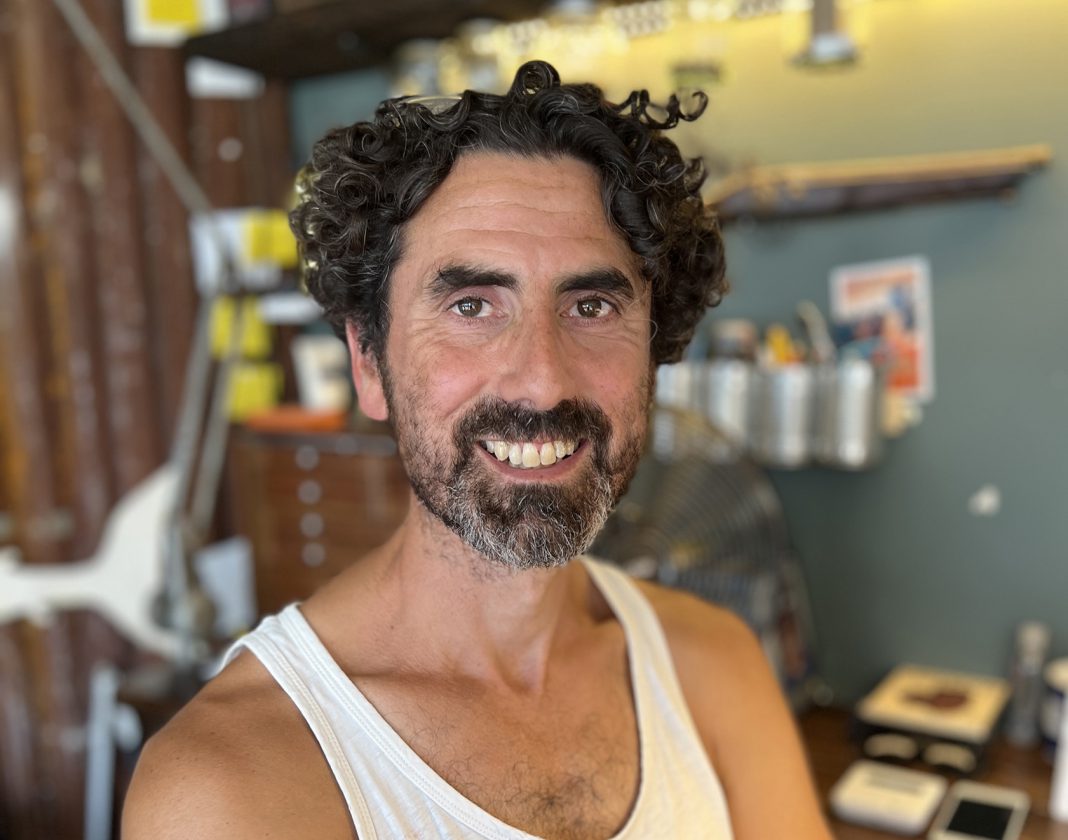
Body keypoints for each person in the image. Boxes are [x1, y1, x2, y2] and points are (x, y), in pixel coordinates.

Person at [123, 61, 832, 840]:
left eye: (592, 306)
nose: (542, 382)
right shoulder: (232, 788)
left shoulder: (713, 666)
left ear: (654, 353)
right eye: (471, 306)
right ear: (369, 363)